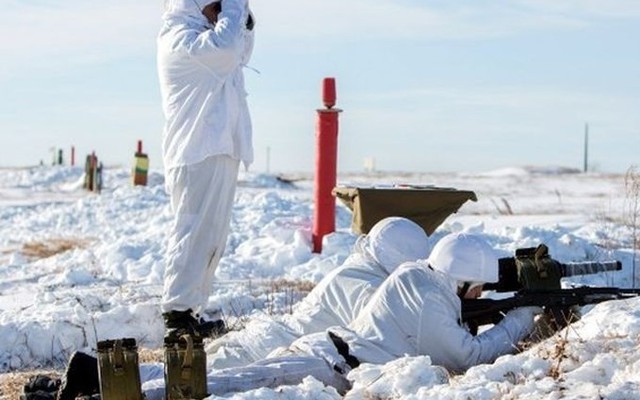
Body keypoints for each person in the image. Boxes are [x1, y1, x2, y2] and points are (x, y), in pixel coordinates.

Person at [140, 233, 544, 397]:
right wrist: (523, 317)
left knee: (219, 379)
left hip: (323, 351)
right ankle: (128, 391)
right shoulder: (429, 302)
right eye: (475, 286)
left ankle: (122, 381)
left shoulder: (415, 277)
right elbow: (470, 356)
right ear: (459, 280)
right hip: (324, 364)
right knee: (223, 385)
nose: (477, 294)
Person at [207, 217, 432, 368]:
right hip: (264, 353)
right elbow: (388, 333)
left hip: (270, 345)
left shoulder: (360, 270)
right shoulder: (362, 283)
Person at [156, 0, 255, 342]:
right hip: (196, 152)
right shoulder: (179, 40)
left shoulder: (202, 37)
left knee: (212, 238)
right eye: (215, 7)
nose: (218, 15)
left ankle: (191, 313)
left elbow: (240, 51)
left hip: (218, 147)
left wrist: (241, 17)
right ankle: (176, 315)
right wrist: (236, 5)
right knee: (192, 233)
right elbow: (227, 49)